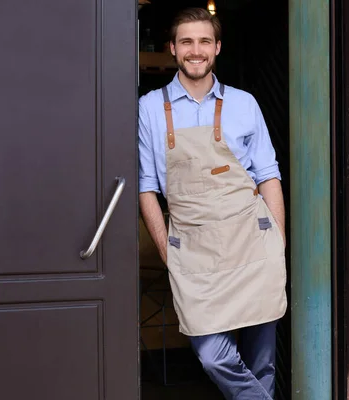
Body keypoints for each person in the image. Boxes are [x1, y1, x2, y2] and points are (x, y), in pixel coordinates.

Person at [138, 7, 287, 399]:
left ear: (217, 47)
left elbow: (268, 173)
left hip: (252, 244)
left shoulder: (244, 103)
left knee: (262, 362)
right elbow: (146, 187)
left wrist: (278, 241)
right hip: (194, 252)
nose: (196, 50)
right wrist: (168, 254)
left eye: (204, 41)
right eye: (186, 41)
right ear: (172, 48)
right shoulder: (150, 108)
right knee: (212, 355)